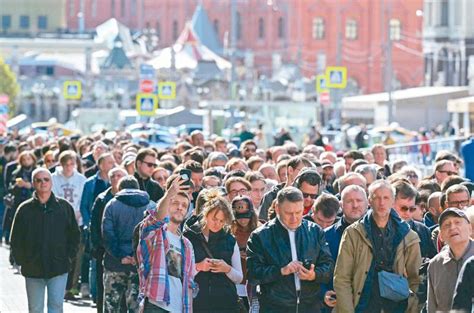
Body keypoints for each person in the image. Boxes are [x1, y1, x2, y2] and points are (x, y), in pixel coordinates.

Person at [334, 180, 421, 313]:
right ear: (369, 200)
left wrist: (411, 307)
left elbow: (415, 279)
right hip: (362, 305)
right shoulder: (354, 233)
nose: (381, 203)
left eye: (386, 198)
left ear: (392, 201)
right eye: (377, 197)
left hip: (397, 306)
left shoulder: (408, 236)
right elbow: (342, 278)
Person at [246, 187, 334, 312]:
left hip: (310, 305)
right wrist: (281, 271)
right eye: (288, 213)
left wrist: (314, 275)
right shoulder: (260, 236)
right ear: (277, 209)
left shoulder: (314, 231)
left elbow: (329, 266)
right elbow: (253, 274)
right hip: (275, 307)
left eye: (298, 212)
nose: (294, 218)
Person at [10, 168, 80, 313]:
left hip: (59, 266)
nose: (43, 183)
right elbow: (16, 239)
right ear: (33, 183)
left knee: (56, 307)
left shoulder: (64, 207)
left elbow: (74, 235)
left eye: (46, 179)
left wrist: (69, 257)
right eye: (38, 180)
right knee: (35, 309)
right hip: (33, 268)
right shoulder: (24, 209)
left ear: (51, 182)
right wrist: (23, 260)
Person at [135, 174, 197, 313]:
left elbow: (189, 281)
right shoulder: (155, 232)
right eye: (175, 203)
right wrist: (170, 193)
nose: (180, 207)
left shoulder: (187, 244)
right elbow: (156, 217)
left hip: (181, 307)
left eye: (184, 205)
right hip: (156, 304)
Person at [102, 175, 156, 313]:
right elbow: (154, 237)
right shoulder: (151, 205)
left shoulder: (112, 205)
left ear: (119, 188)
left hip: (115, 263)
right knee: (136, 307)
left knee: (111, 306)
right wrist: (137, 257)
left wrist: (121, 256)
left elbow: (107, 235)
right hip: (140, 265)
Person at [183, 190, 243, 313]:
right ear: (205, 215)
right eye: (214, 219)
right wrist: (199, 267)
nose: (218, 224)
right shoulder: (189, 236)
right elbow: (179, 273)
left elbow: (239, 278)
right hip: (197, 302)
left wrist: (227, 269)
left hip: (226, 303)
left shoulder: (230, 240)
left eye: (222, 221)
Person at [322, 185, 369, 310]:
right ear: (341, 205)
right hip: (337, 304)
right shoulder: (326, 235)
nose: (355, 205)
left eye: (359, 201)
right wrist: (323, 293)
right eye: (349, 201)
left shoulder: (378, 234)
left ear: (367, 203)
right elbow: (319, 268)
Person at [89, 167, 127, 313]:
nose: (116, 178)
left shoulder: (133, 200)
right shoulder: (102, 199)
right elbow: (95, 226)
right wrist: (98, 249)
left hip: (125, 254)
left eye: (120, 175)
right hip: (105, 253)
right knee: (104, 292)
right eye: (114, 176)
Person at [51, 150, 87, 300]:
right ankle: (58, 286)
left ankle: (71, 287)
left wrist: (78, 213)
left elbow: (83, 200)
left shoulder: (81, 179)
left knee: (76, 254)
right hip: (58, 222)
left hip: (76, 220)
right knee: (59, 253)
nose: (68, 167)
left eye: (71, 164)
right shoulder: (53, 178)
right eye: (66, 164)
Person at [427, 208, 474, 312]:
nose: (452, 227)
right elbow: (432, 307)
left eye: (457, 222)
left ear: (470, 228)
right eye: (447, 225)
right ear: (441, 236)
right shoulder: (435, 264)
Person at [258, 156, 314, 220]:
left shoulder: (309, 197)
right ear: (290, 170)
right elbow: (263, 222)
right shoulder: (271, 196)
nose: (306, 175)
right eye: (303, 171)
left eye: (308, 172)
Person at [392, 180, 437, 259]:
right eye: (403, 208)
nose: (408, 213)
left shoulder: (423, 231)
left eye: (412, 209)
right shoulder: (379, 230)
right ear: (391, 204)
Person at [230, 195, 261, 310]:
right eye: (239, 216)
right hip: (235, 282)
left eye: (246, 215)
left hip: (253, 283)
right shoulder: (228, 231)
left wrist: (251, 255)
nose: (243, 220)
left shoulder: (260, 231)